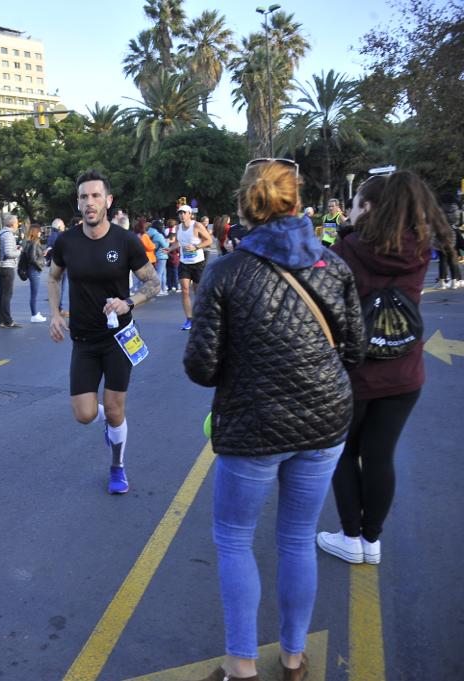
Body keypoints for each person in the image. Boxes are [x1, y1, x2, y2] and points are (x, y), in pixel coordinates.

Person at [183, 159, 364, 681]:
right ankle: (292, 658)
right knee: (297, 537)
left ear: (245, 206)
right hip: (326, 421)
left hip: (253, 428)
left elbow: (201, 367)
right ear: (297, 201)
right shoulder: (334, 264)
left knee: (236, 539)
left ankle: (241, 665)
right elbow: (353, 350)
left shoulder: (224, 271)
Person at [317, 171, 454, 566]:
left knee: (343, 454)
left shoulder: (346, 251)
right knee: (381, 456)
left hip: (355, 373)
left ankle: (350, 536)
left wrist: (343, 234)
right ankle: (372, 542)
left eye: (356, 203)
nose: (350, 209)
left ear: (369, 208)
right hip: (404, 371)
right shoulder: (419, 249)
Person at [48, 170, 161, 494]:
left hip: (118, 340)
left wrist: (129, 302)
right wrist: (55, 314)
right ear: (79, 202)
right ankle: (111, 425)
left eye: (96, 196)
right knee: (84, 414)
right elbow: (53, 277)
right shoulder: (67, 241)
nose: (89, 202)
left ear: (108, 201)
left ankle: (117, 466)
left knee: (114, 410)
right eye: (84, 197)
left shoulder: (125, 241)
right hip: (82, 341)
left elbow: (152, 283)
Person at [174, 204, 213, 331]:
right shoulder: (178, 227)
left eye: (184, 213)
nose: (182, 215)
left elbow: (209, 241)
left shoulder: (197, 225)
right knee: (185, 289)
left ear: (190, 214)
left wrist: (196, 247)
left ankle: (201, 316)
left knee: (198, 291)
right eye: (180, 213)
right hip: (184, 263)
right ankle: (189, 319)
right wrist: (170, 248)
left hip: (198, 263)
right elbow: (179, 242)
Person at [0, 215, 22, 328]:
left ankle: (1, 319)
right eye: (17, 223)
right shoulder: (8, 235)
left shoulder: (1, 233)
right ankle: (8, 320)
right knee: (7, 294)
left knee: (1, 294)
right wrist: (19, 251)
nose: (17, 225)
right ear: (12, 224)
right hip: (7, 267)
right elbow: (8, 253)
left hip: (0, 266)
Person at [435, 192, 462, 288]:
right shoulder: (456, 208)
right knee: (452, 258)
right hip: (453, 233)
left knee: (442, 259)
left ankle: (442, 282)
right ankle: (455, 282)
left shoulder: (439, 209)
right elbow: (459, 222)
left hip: (441, 234)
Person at [23, 223, 46, 322]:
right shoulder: (34, 243)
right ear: (36, 232)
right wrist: (39, 266)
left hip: (32, 270)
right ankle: (34, 315)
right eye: (39, 231)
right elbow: (32, 258)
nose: (41, 233)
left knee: (34, 293)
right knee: (34, 294)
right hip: (34, 270)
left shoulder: (30, 242)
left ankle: (35, 313)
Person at [46, 218, 68, 314]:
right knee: (62, 286)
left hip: (53, 263)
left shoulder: (51, 236)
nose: (64, 227)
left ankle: (58, 307)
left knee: (55, 285)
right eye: (63, 226)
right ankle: (61, 308)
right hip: (61, 264)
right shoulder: (61, 236)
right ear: (59, 227)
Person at [146, 219, 170, 295]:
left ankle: (163, 289)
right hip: (162, 255)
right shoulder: (159, 235)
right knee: (160, 274)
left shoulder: (148, 233)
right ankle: (159, 290)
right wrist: (168, 241)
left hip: (154, 255)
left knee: (161, 273)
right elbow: (165, 246)